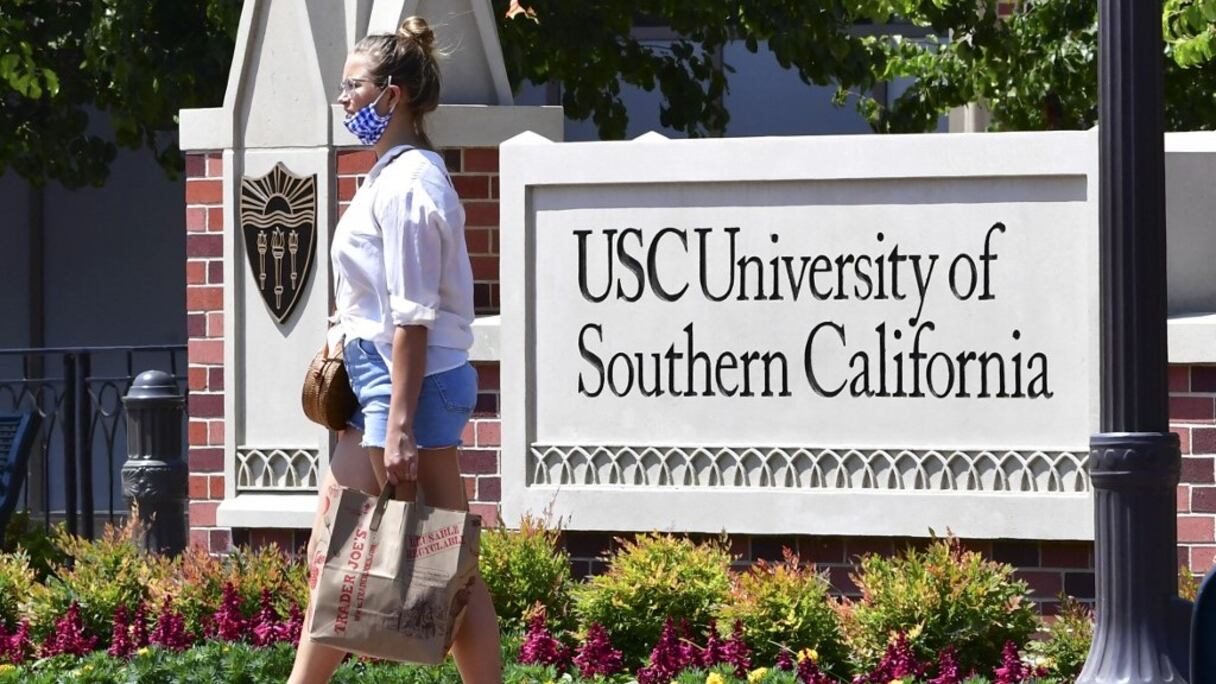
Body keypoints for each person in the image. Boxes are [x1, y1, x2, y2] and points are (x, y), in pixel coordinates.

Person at [288, 16, 502, 684]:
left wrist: (401, 424)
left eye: (354, 87)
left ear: (394, 93)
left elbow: (412, 317)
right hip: (383, 382)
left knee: (443, 560)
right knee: (340, 549)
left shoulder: (411, 185)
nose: (345, 101)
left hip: (410, 387)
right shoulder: (388, 174)